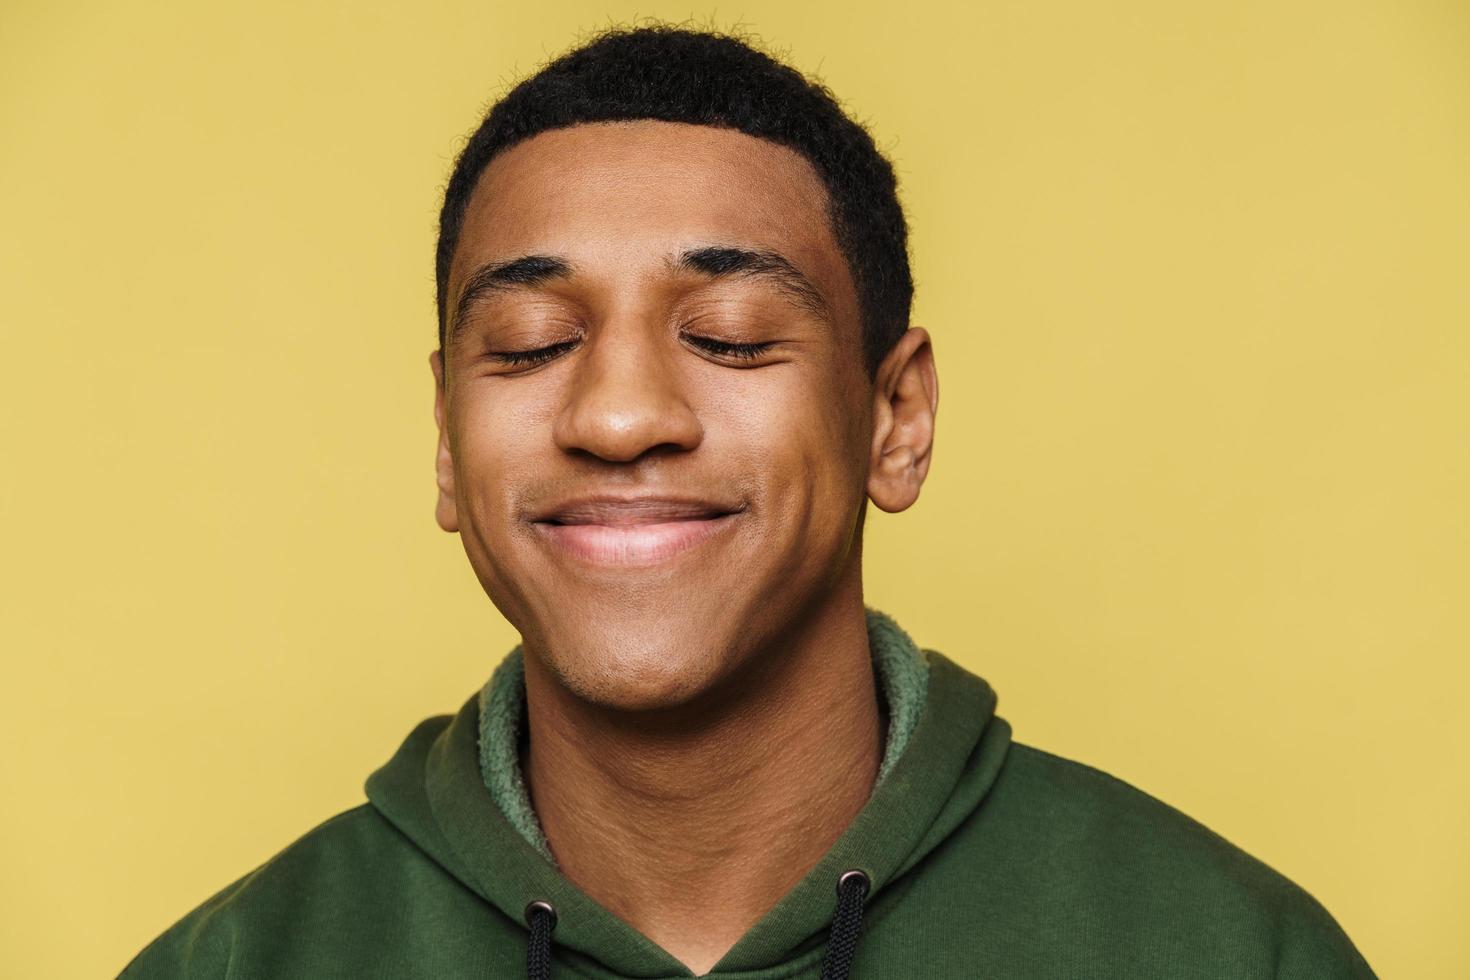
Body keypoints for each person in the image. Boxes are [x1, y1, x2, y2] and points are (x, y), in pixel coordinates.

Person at [119, 25, 1376, 980]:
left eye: (725, 336)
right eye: (528, 342)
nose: (617, 416)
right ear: (446, 442)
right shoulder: (235, 961)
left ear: (897, 418)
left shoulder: (1226, 949)